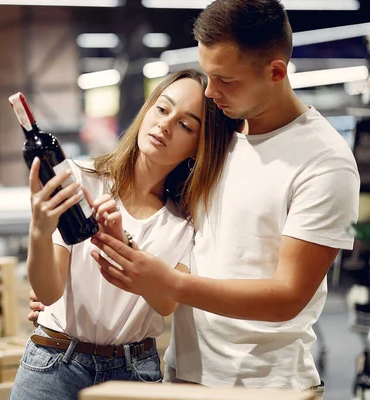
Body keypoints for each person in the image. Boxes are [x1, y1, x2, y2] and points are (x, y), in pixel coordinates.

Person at [84, 0, 360, 395]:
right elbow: (171, 227)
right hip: (185, 375)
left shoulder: (325, 162)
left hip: (266, 386)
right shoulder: (219, 138)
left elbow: (288, 296)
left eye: (226, 80)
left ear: (276, 72)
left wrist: (174, 285)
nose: (210, 92)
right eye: (208, 75)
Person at [10, 69, 240, 400]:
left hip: (132, 371)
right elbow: (47, 293)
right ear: (147, 110)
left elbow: (165, 302)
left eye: (186, 125)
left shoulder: (185, 224)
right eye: (162, 109)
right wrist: (39, 232)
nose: (165, 125)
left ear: (197, 148)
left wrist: (122, 245)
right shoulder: (80, 179)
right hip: (55, 361)